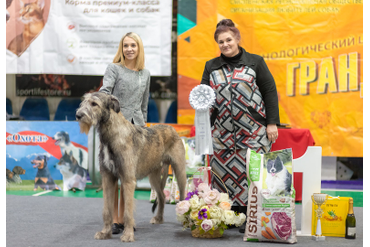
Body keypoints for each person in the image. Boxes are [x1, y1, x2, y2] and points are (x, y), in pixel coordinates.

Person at [200, 19, 280, 233]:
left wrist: (271, 123)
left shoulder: (255, 62)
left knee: (251, 173)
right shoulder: (211, 66)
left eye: (228, 40)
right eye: (220, 42)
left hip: (253, 131)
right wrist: (204, 130)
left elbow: (269, 91)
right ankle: (228, 214)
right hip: (222, 134)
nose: (225, 44)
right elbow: (203, 97)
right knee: (224, 173)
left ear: (237, 39)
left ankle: (251, 215)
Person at [99, 32, 151, 234]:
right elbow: (104, 92)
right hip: (114, 129)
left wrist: (144, 125)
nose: (129, 49)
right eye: (126, 45)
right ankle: (114, 220)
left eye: (133, 45)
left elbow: (144, 102)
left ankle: (124, 219)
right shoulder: (114, 68)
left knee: (128, 177)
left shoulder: (145, 73)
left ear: (139, 48)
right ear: (121, 48)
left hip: (137, 130)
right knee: (112, 175)